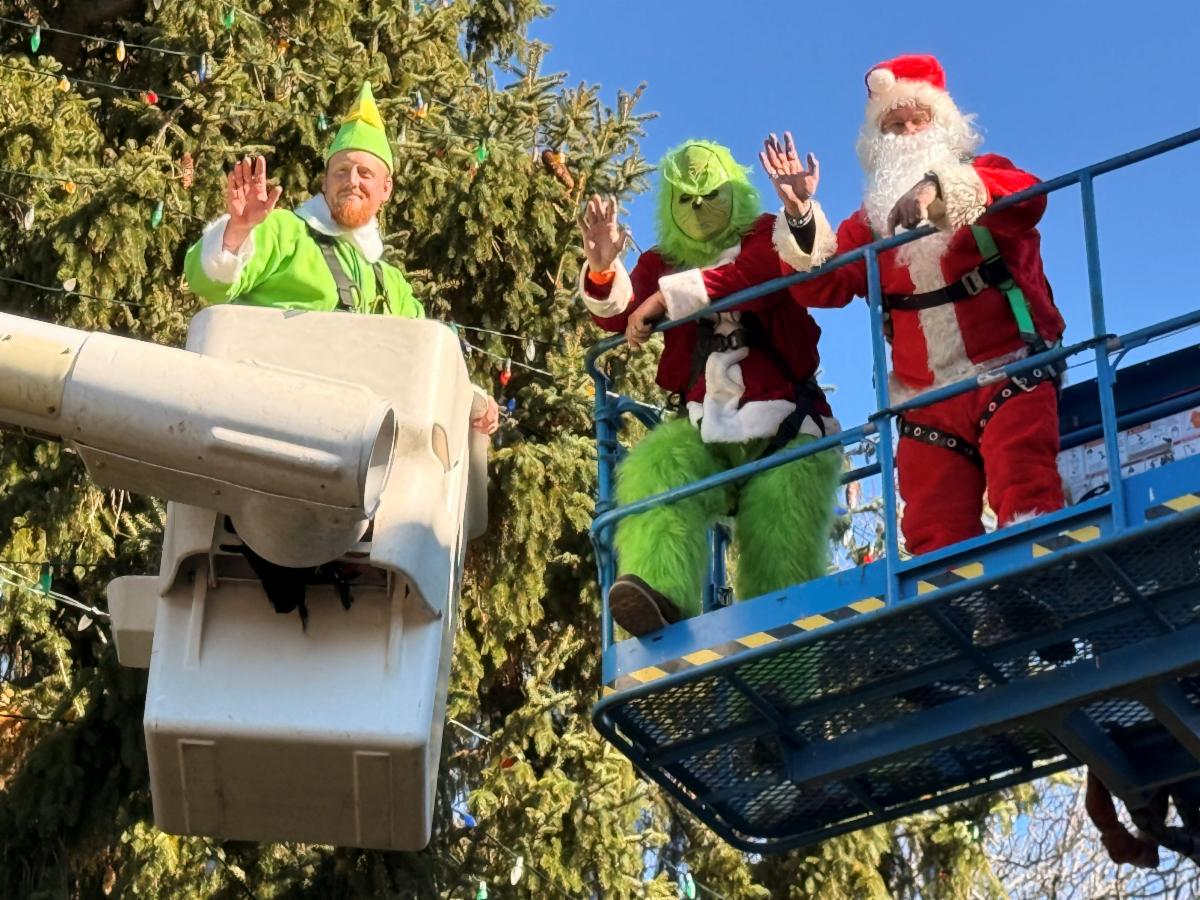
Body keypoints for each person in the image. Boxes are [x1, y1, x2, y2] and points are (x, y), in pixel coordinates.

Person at [757, 52, 1155, 870]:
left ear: (940, 120)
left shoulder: (984, 175)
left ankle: (1036, 599)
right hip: (925, 401)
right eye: (891, 123)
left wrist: (940, 197)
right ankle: (937, 650)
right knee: (930, 526)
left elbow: (1025, 200)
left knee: (1023, 482)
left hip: (1008, 366)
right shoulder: (872, 220)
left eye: (914, 117)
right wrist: (803, 217)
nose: (905, 129)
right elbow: (825, 284)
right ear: (875, 139)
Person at [577, 140, 841, 637]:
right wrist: (603, 269)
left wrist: (800, 212)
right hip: (707, 430)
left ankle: (783, 646)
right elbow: (619, 316)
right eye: (686, 199)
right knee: (657, 468)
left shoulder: (765, 233)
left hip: (788, 425)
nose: (698, 209)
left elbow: (778, 266)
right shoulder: (662, 262)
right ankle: (658, 598)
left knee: (779, 533)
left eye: (709, 195)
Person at [183, 80, 499, 436]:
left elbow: (426, 362)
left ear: (386, 189)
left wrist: (474, 400)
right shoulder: (285, 231)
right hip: (265, 426)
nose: (352, 181)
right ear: (325, 182)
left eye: (365, 173)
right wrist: (238, 230)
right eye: (341, 171)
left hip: (353, 457)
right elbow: (209, 283)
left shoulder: (392, 286)